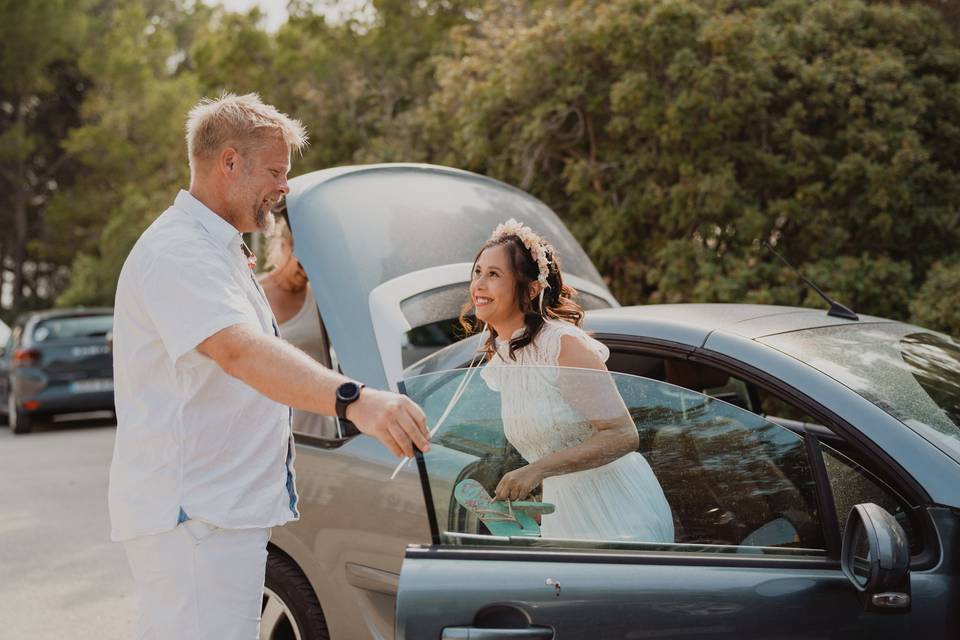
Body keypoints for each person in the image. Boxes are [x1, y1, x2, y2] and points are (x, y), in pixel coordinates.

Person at [108, 92, 430, 640]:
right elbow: (240, 351)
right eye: (276, 172)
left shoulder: (217, 250)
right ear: (228, 162)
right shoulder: (178, 252)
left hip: (220, 516)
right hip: (195, 520)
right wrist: (355, 399)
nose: (284, 188)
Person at [462, 219, 674, 543]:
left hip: (616, 511)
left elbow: (623, 435)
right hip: (564, 513)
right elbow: (555, 443)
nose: (479, 284)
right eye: (478, 272)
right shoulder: (503, 356)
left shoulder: (560, 343)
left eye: (493, 274)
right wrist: (536, 490)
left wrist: (536, 470)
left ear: (531, 289)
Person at [260, 215, 339, 437]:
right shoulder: (255, 294)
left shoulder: (321, 297)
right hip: (271, 429)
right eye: (302, 263)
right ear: (284, 248)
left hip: (320, 431)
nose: (306, 273)